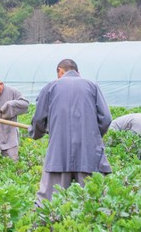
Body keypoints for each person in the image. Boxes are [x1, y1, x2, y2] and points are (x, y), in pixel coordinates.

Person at [29, 59, 112, 206]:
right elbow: (105, 118)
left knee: (49, 203)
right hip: (89, 153)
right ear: (78, 72)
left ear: (60, 71)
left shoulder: (50, 87)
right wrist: (92, 136)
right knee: (93, 202)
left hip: (58, 154)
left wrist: (36, 133)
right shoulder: (92, 86)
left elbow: (39, 120)